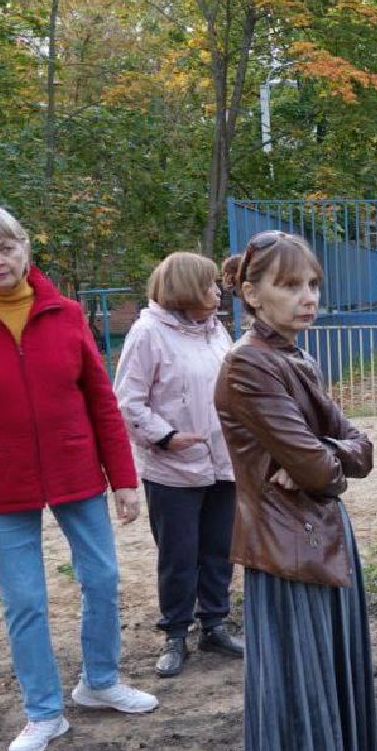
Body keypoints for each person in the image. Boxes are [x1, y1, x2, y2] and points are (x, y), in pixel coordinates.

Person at [0, 206, 158, 751]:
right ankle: (44, 711)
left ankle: (99, 681)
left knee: (101, 578)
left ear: (25, 247)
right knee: (25, 599)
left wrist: (123, 478)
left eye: (5, 248)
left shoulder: (66, 313)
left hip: (77, 472)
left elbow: (101, 399)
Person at [215, 230, 377, 751]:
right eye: (289, 285)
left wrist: (326, 456)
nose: (307, 297)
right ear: (250, 292)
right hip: (286, 556)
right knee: (287, 710)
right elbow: (320, 470)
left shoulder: (294, 358)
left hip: (316, 544)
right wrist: (323, 460)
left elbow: (357, 452)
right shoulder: (247, 368)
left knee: (314, 699)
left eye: (312, 284)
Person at [114, 252, 243, 678]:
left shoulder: (215, 330)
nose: (217, 290)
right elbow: (128, 401)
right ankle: (175, 633)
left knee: (220, 548)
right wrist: (165, 436)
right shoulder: (147, 333)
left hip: (222, 462)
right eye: (208, 284)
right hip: (174, 468)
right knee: (179, 555)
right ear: (185, 288)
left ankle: (214, 623)